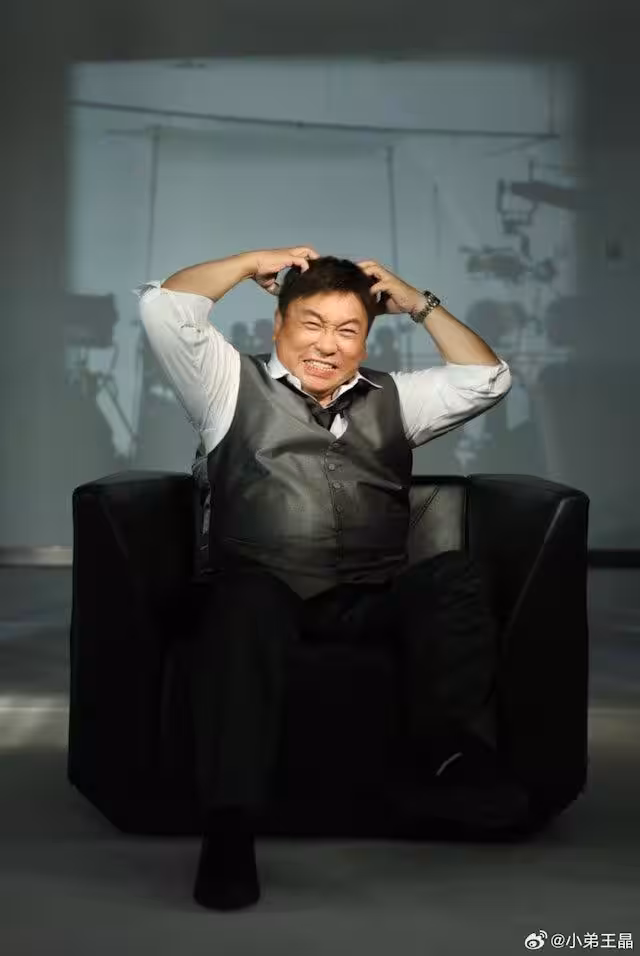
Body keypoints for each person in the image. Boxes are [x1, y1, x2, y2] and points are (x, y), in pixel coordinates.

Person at [135, 246, 524, 912]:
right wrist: (251, 262)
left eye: (348, 330)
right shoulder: (225, 383)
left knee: (452, 577)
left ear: (366, 339)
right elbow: (166, 306)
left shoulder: (396, 398)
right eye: (312, 324)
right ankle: (229, 831)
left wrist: (418, 303)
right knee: (244, 602)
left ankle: (444, 759)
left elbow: (487, 378)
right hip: (261, 596)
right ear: (279, 324)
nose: (328, 345)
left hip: (365, 597)